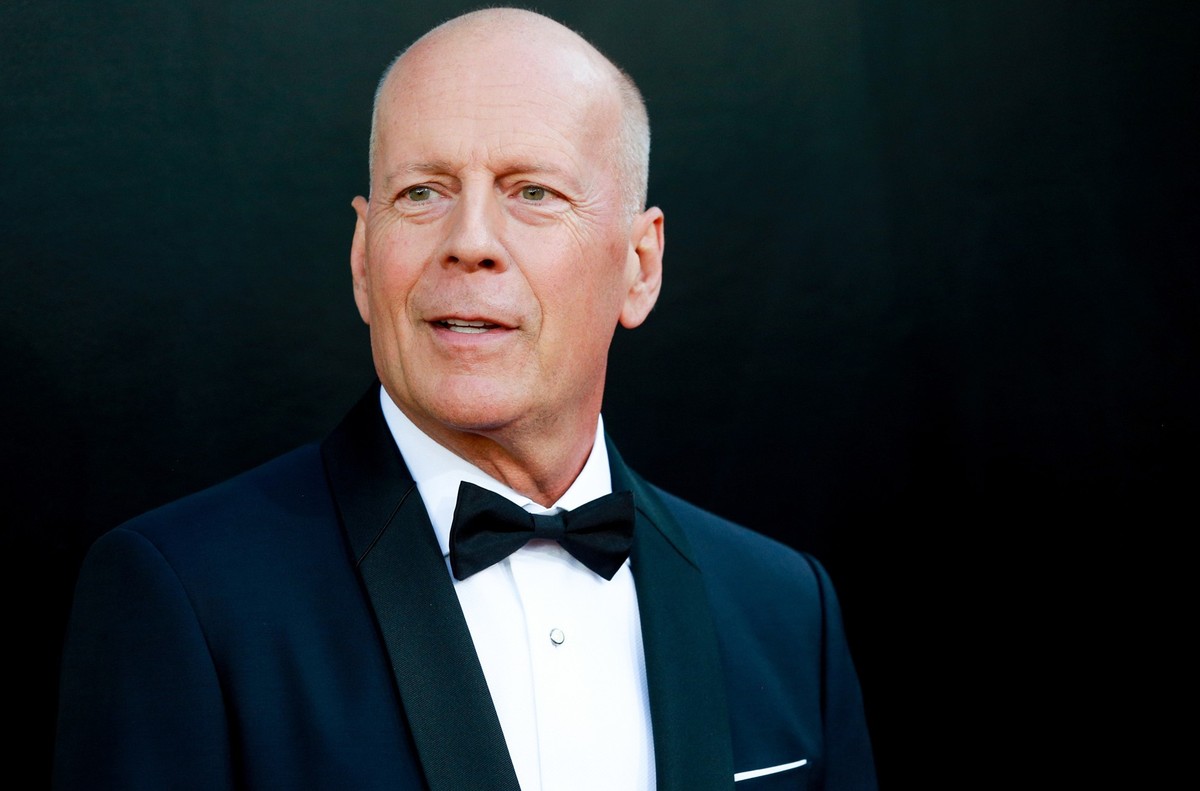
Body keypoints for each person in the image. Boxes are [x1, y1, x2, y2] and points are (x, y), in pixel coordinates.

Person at [52, 7, 878, 790]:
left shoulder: (786, 609)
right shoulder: (183, 598)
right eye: (422, 192)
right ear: (361, 257)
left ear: (640, 264)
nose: (471, 242)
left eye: (533, 192)